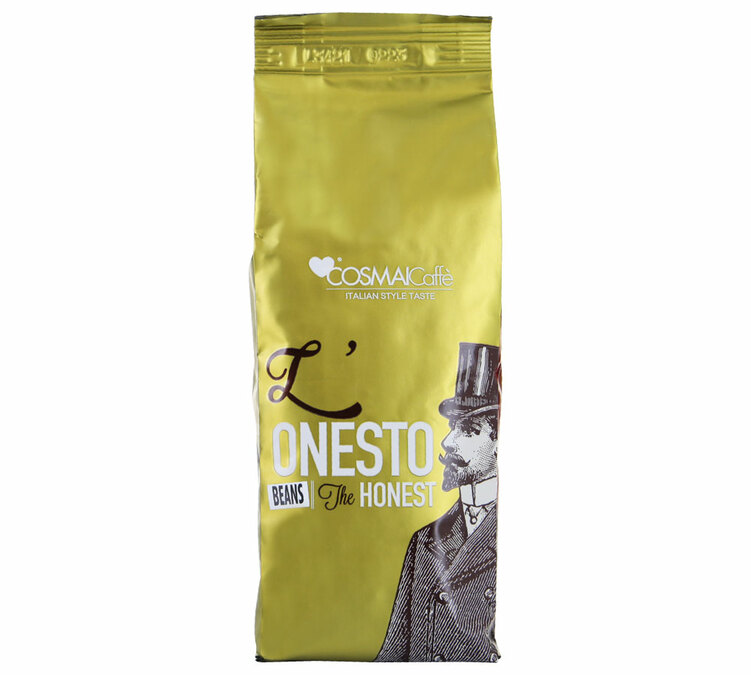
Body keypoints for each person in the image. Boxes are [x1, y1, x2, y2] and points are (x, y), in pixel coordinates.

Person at [375, 342, 501, 662]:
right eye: (452, 427)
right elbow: (393, 653)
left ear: (498, 441)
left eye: (468, 430)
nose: (447, 441)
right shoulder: (424, 541)